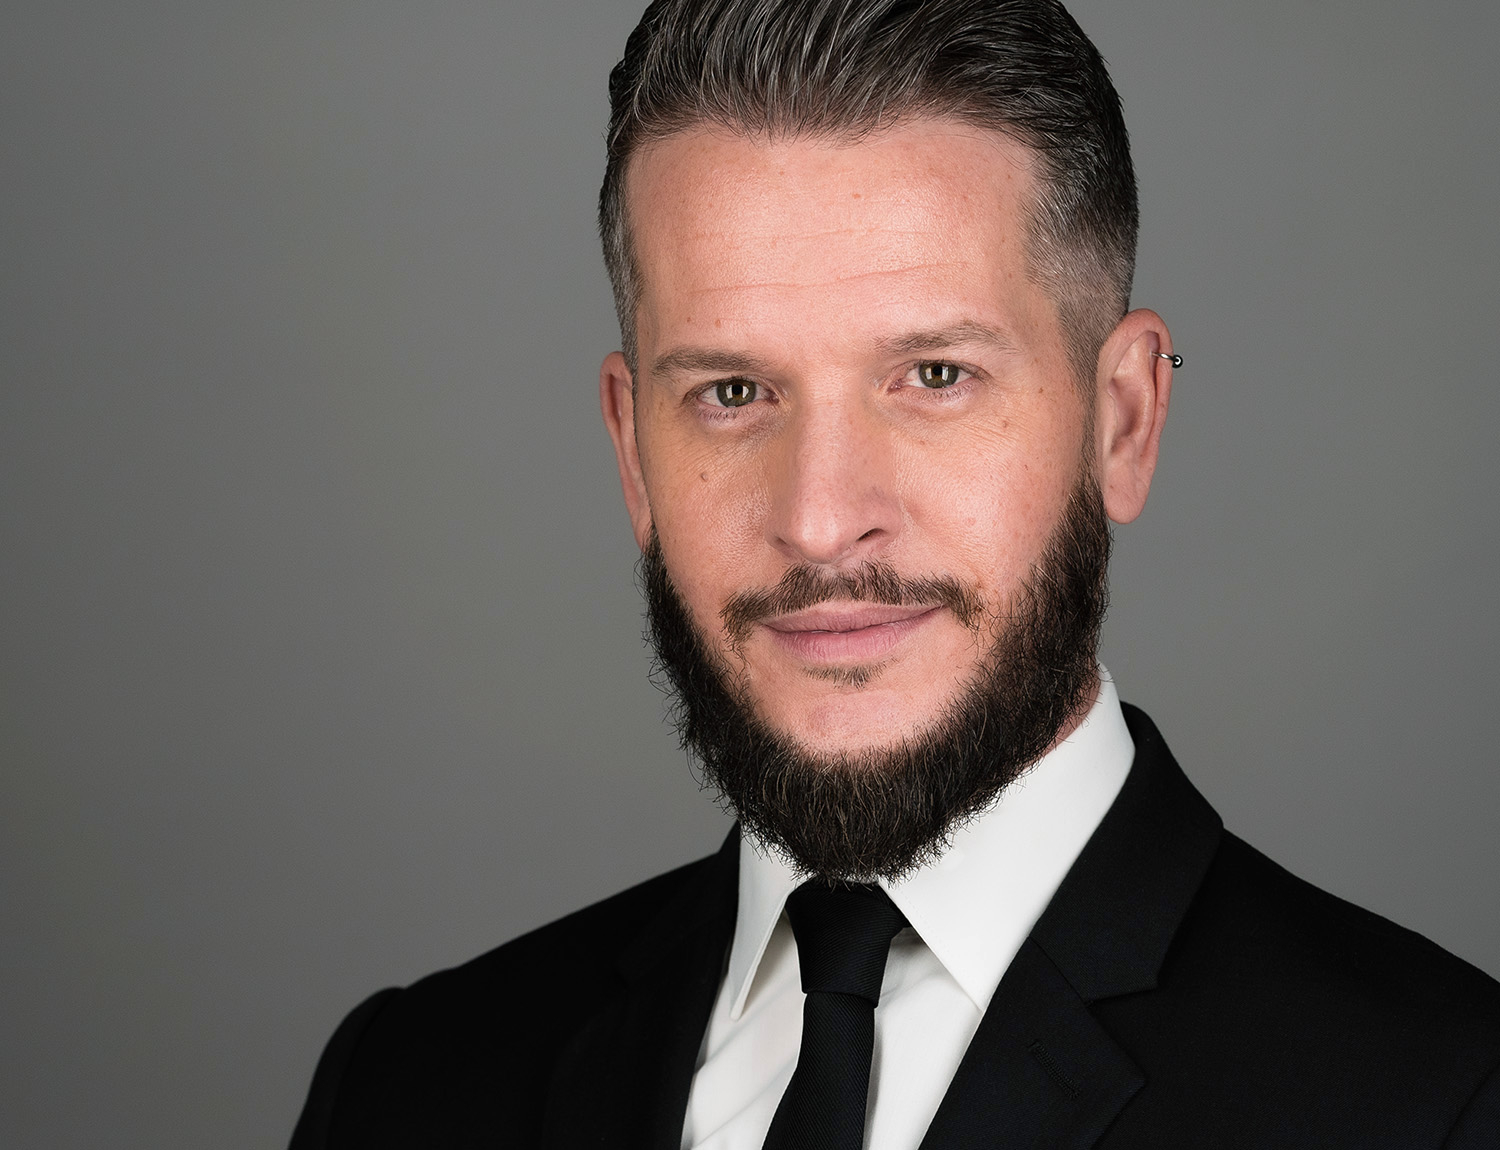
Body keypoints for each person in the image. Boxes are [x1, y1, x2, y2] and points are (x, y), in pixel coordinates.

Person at [289, 1, 1500, 1145]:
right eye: (732, 392)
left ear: (1123, 419)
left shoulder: (1444, 1102)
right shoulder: (406, 1086)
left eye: (933, 377)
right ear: (632, 451)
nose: (821, 522)